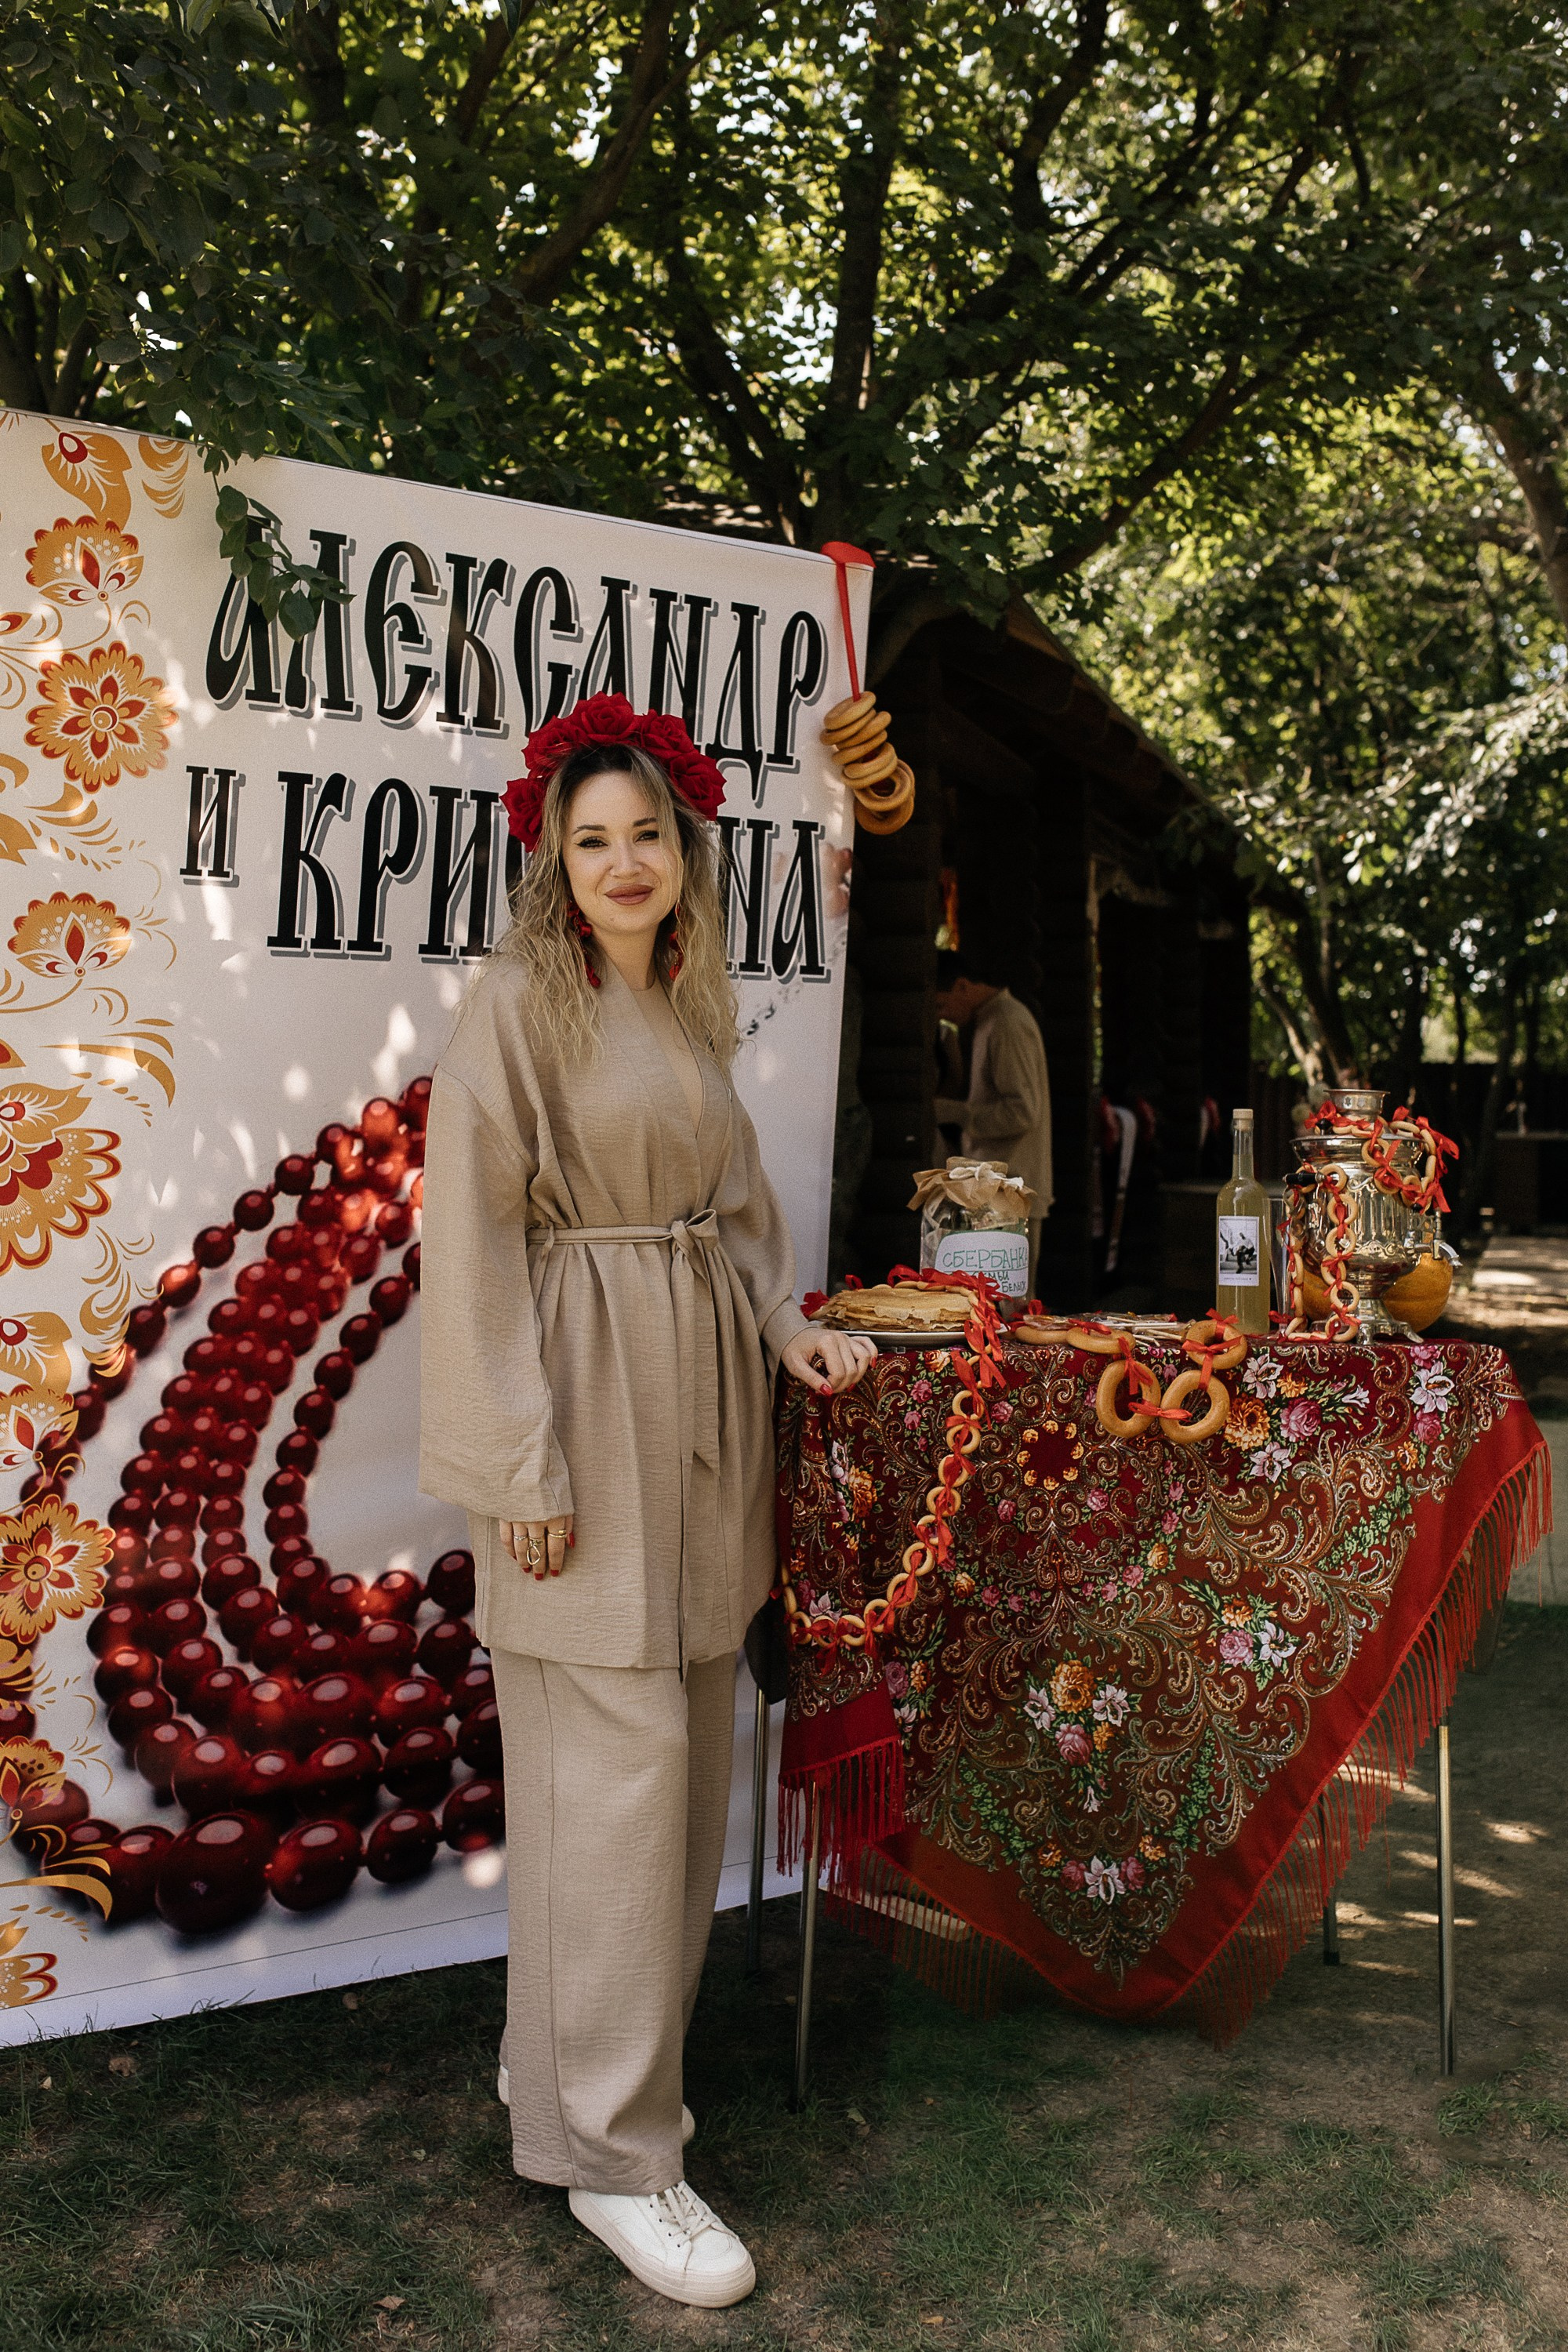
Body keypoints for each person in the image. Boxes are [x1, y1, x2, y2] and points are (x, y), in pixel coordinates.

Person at [419, 694, 875, 2310]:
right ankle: (623, 2164)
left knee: (667, 1780)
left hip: (698, 1429)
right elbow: (469, 1252)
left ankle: (579, 2089)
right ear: (555, 857)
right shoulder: (518, 1012)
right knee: (610, 1793)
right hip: (580, 1419)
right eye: (590, 840)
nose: (621, 863)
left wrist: (784, 1323)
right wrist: (518, 1467)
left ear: (686, 851)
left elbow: (736, 1212)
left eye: (646, 838)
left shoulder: (685, 1004)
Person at [933, 952, 1054, 1294]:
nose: (943, 1015)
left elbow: (1022, 1112)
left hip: (1012, 1192)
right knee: (992, 1304)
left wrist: (956, 1113)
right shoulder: (992, 1020)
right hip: (997, 1192)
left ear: (962, 986)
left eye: (942, 1004)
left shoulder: (1007, 1023)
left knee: (1010, 1305)